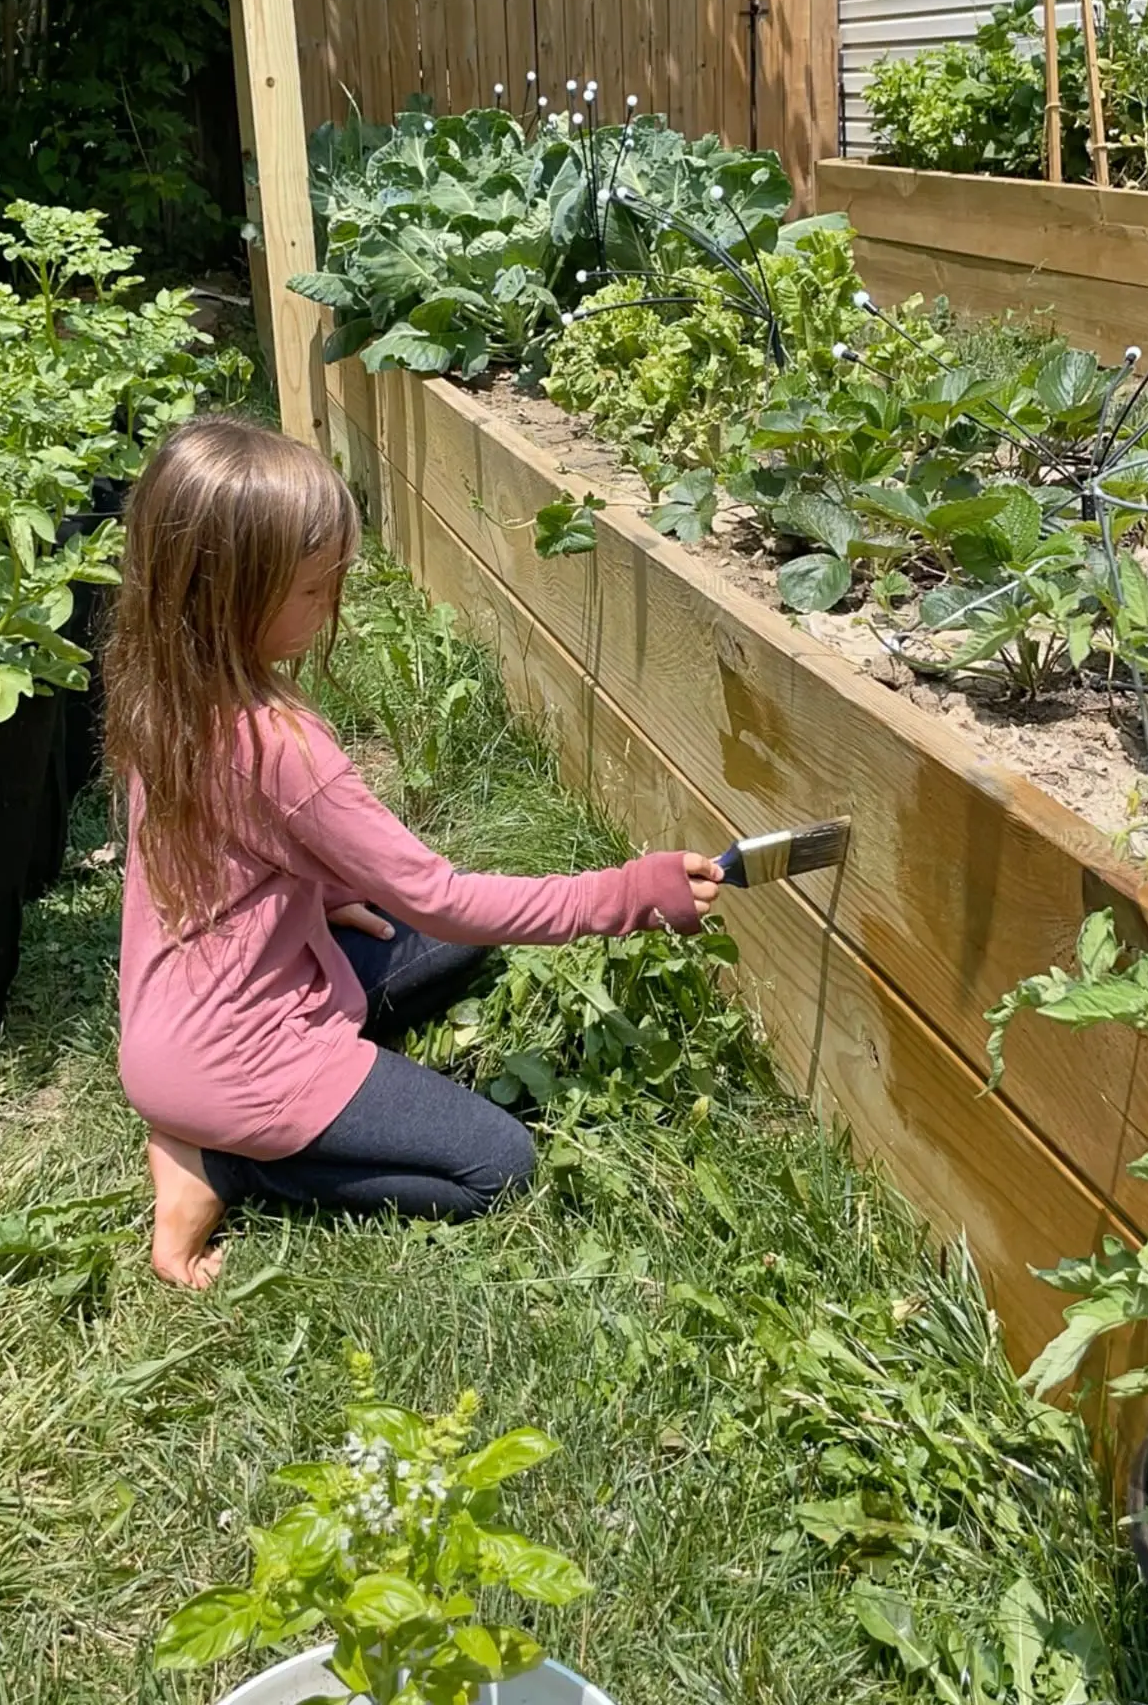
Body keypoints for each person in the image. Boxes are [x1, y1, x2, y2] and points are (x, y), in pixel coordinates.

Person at [104, 415, 724, 1288]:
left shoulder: (159, 690)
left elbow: (216, 854)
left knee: (457, 943)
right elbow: (440, 895)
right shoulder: (281, 746)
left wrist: (317, 899)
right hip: (236, 1065)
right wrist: (625, 893)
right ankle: (220, 1165)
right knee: (495, 1167)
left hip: (172, 1029)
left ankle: (220, 1123)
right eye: (317, 589)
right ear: (231, 593)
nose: (333, 605)